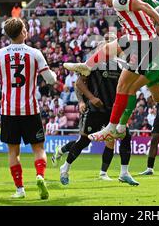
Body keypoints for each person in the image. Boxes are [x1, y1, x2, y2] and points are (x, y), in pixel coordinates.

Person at [65, 0, 159, 141]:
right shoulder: (157, 4)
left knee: (130, 87)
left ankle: (119, 127)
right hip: (144, 48)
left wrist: (152, 25)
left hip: (158, 59)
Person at [0, 18, 57, 200]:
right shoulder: (35, 53)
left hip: (9, 111)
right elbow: (50, 80)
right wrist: (54, 75)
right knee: (39, 148)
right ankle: (40, 176)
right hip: (30, 110)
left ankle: (20, 190)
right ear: (23, 32)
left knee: (13, 152)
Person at [52, 40, 139, 186]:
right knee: (84, 140)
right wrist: (91, 98)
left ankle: (124, 173)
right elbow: (79, 83)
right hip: (95, 110)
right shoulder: (94, 64)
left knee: (125, 136)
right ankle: (65, 168)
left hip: (113, 111)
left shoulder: (122, 65)